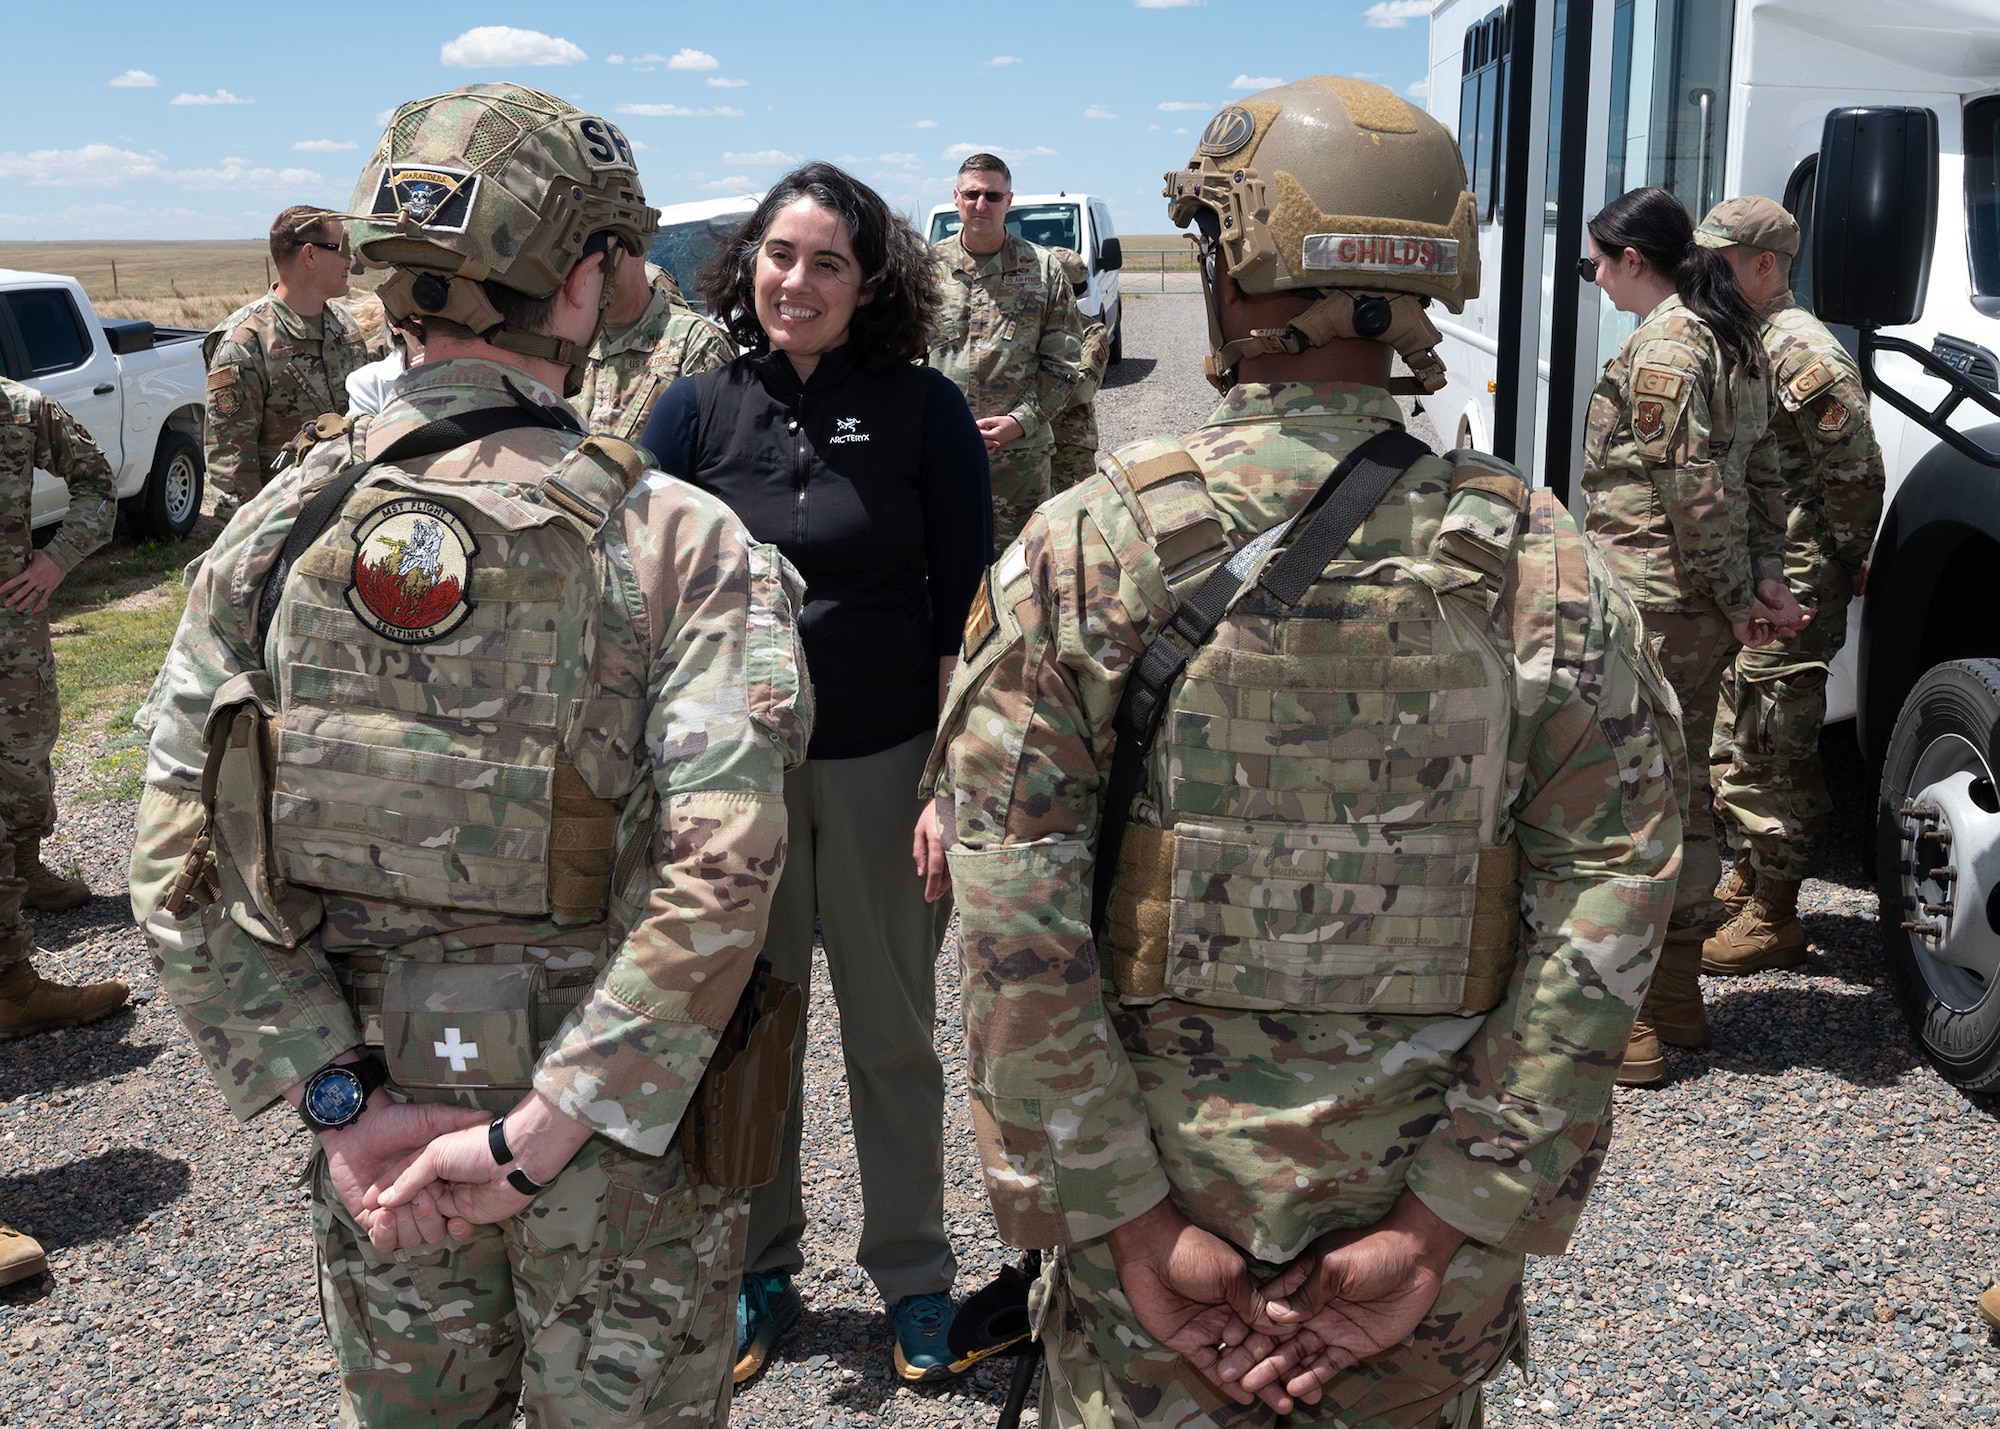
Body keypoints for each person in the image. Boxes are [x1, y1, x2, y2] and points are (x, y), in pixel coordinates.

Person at [919, 77, 1681, 1427]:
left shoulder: (1089, 550)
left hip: (1154, 1262)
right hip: (1412, 1280)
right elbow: (1610, 912)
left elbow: (1010, 911)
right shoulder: (1542, 564)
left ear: (1236, 270)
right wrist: (1442, 1224)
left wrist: (1138, 1226)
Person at [129, 84, 811, 1426]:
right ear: (578, 280)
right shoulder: (676, 542)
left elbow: (175, 865)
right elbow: (724, 873)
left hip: (387, 1151)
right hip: (620, 1165)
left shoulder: (269, 538)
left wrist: (341, 1103)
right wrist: (550, 1123)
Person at [639, 161, 990, 1387]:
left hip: (888, 766)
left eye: (827, 261)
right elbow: (642, 605)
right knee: (752, 1027)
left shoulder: (924, 411)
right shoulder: (691, 414)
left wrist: (947, 784)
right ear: (746, 269)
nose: (798, 281)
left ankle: (915, 1279)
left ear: (867, 282)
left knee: (892, 1033)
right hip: (738, 781)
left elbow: (967, 614)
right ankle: (758, 1268)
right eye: (779, 256)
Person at [1580, 184, 1803, 1086]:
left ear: (1635, 260)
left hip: (1655, 606)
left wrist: (1739, 589)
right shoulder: (1732, 338)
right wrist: (1760, 583)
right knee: (1685, 791)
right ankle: (1675, 994)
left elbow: (1694, 489)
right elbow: (1761, 481)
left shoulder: (1672, 343)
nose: (1592, 275)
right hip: (1698, 607)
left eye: (1598, 259)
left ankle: (1632, 1015)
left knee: (1631, 800)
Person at [1697, 196, 1885, 972]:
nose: (1705, 274)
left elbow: (1856, 470)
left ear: (1766, 265)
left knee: (1775, 733)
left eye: (1722, 261)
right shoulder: (1752, 336)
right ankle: (1748, 873)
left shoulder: (1803, 353)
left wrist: (1845, 557)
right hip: (1760, 571)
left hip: (1799, 574)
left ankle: (1776, 912)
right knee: (1740, 726)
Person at [0, 376, 129, 1283]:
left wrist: (55, 560)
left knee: (20, 784)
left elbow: (97, 482)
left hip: (11, 634)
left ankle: (11, 968)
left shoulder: (18, 409)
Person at [927, 153, 1086, 548]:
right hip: (942, 453)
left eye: (993, 196)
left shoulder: (1043, 269)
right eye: (972, 194)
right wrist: (936, 425)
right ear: (956, 197)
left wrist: (1019, 421)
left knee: (1026, 571)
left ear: (1009, 201)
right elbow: (904, 359)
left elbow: (1063, 365)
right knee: (945, 565)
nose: (982, 204)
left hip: (1020, 463)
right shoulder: (927, 270)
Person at [203, 206, 371, 510]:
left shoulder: (344, 326)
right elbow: (232, 465)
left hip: (348, 508)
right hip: (285, 522)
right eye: (343, 248)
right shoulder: (245, 344)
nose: (350, 260)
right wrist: (254, 541)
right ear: (310, 255)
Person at [575, 260, 735, 442]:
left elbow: (716, 453)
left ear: (637, 251)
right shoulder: (572, 339)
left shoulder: (697, 341)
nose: (587, 263)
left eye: (602, 245)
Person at [1048, 246, 1111, 492]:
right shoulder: (1030, 330)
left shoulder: (1092, 332)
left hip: (1070, 446)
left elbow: (1082, 390)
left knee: (1075, 521)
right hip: (1027, 445)